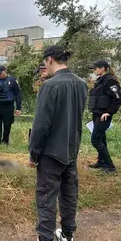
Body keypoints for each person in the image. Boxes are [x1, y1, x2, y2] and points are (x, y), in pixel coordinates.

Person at [29, 45, 88, 241]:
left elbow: (41, 125)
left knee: (46, 196)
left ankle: (45, 237)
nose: (45, 66)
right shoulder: (81, 84)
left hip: (51, 153)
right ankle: (68, 234)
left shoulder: (50, 86)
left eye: (45, 62)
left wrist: (34, 153)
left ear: (50, 60)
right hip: (71, 150)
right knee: (69, 193)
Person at [87, 60, 121, 173]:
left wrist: (109, 112)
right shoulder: (100, 80)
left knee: (95, 140)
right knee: (101, 139)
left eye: (96, 68)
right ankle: (101, 162)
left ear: (102, 68)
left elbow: (117, 98)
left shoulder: (110, 80)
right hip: (97, 113)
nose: (94, 70)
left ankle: (110, 166)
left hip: (104, 115)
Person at [0, 65, 22, 145]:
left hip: (8, 106)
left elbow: (18, 94)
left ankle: (5, 142)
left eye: (0, 73)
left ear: (5, 71)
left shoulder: (12, 81)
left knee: (7, 125)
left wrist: (18, 108)